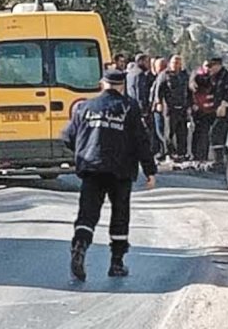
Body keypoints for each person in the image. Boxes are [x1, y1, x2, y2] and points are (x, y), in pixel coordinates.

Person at [62, 69, 157, 282]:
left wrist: (82, 152)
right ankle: (116, 263)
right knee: (120, 215)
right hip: (120, 171)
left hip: (92, 168)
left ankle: (79, 247)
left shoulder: (85, 107)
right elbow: (141, 141)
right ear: (122, 86)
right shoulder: (129, 108)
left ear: (102, 84)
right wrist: (150, 170)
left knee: (87, 214)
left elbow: (68, 137)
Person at [155, 55, 192, 161]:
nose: (176, 65)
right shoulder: (165, 75)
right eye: (174, 62)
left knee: (182, 132)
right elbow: (159, 89)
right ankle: (169, 153)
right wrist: (158, 102)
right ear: (170, 63)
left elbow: (188, 91)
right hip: (170, 107)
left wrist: (189, 105)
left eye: (178, 63)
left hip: (182, 107)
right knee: (169, 132)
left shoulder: (184, 75)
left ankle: (182, 153)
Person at [208, 57, 228, 165]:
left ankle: (220, 161)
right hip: (218, 109)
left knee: (217, 133)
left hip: (227, 110)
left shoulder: (227, 77)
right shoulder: (215, 77)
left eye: (211, 66)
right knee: (218, 133)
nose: (210, 69)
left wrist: (224, 104)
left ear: (218, 65)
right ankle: (220, 160)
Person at [191, 62, 215, 162]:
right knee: (198, 132)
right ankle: (196, 154)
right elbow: (193, 88)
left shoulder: (214, 78)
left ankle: (203, 155)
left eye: (210, 67)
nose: (208, 69)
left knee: (206, 134)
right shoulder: (196, 76)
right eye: (207, 66)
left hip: (209, 110)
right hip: (199, 109)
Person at [149, 57, 169, 159]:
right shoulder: (159, 76)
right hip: (156, 108)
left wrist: (158, 102)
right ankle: (161, 151)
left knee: (161, 131)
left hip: (161, 108)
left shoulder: (163, 76)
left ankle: (164, 151)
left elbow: (158, 92)